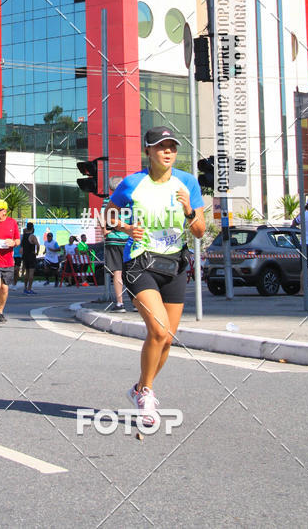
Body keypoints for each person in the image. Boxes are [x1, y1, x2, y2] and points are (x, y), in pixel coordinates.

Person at [108, 126, 205, 425]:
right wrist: (126, 228)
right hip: (140, 262)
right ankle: (146, 395)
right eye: (161, 146)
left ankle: (139, 388)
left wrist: (189, 209)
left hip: (175, 265)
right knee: (159, 330)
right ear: (148, 151)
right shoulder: (132, 183)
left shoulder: (187, 182)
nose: (168, 152)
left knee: (167, 340)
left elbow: (199, 231)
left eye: (172, 147)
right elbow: (109, 215)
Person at [102, 199, 129, 311]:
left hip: (113, 240)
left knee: (117, 272)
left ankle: (120, 303)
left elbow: (103, 219)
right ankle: (137, 304)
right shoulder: (132, 200)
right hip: (130, 240)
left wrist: (105, 231)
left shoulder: (108, 201)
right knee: (133, 271)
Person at [22, 222, 40, 294]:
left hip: (25, 255)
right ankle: (29, 289)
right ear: (32, 228)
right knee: (31, 273)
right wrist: (37, 252)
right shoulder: (32, 236)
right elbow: (38, 245)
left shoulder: (24, 236)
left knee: (27, 272)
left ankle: (25, 288)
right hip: (31, 255)